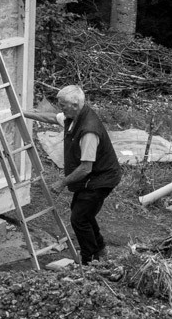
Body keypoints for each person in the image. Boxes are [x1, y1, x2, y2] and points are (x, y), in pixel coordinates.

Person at [24, 85, 122, 265]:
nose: (60, 108)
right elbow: (52, 118)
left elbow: (85, 168)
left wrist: (61, 183)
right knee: (82, 211)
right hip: (92, 177)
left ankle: (89, 259)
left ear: (75, 105)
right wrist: (24, 114)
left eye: (63, 105)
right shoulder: (74, 117)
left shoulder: (88, 131)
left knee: (79, 219)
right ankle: (100, 248)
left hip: (101, 178)